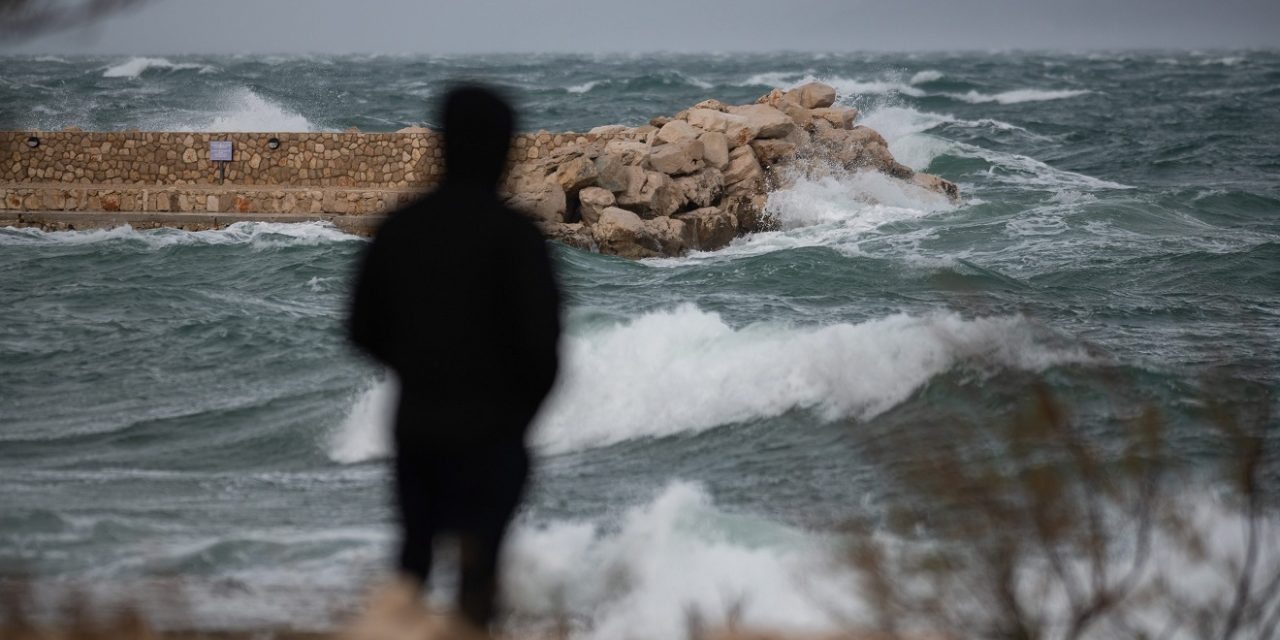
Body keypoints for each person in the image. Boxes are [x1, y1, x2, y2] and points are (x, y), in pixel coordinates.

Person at [347, 85, 561, 632]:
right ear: (504, 148)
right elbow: (543, 351)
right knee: (481, 565)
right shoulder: (518, 238)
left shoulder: (402, 229)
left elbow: (360, 329)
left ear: (444, 143)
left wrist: (418, 369)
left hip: (418, 422)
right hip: (494, 431)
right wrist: (516, 414)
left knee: (414, 556)